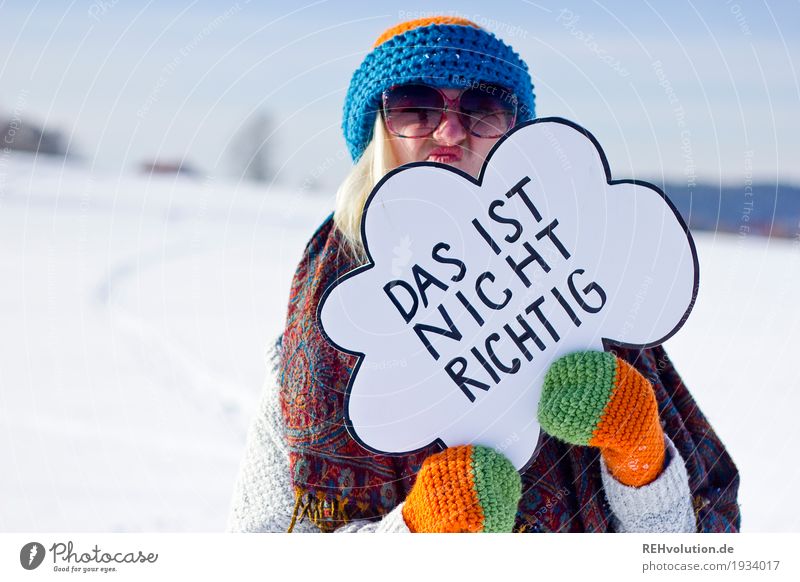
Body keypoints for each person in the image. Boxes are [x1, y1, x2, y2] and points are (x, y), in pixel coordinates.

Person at [227, 16, 740, 533]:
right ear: (377, 130)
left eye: (483, 106)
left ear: (515, 135)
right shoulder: (326, 326)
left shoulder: (581, 278)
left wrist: (641, 461)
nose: (450, 130)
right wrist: (414, 533)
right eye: (416, 106)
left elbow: (691, 552)